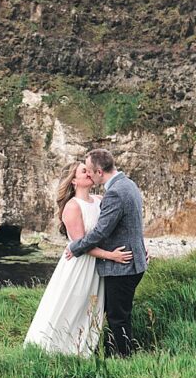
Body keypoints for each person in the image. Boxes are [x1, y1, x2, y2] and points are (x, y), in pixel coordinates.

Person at [23, 161, 133, 357]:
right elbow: (81, 245)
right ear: (74, 180)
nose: (89, 173)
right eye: (84, 171)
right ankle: (54, 350)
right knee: (72, 306)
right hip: (80, 265)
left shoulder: (100, 199)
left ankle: (84, 349)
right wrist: (111, 256)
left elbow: (114, 230)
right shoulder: (72, 207)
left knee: (91, 309)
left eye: (89, 170)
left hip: (97, 267)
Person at [63, 148, 148, 356]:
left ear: (100, 172)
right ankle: (115, 354)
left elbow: (101, 231)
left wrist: (75, 247)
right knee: (119, 313)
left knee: (117, 316)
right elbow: (132, 224)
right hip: (131, 261)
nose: (89, 175)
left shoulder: (115, 193)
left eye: (90, 171)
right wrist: (140, 247)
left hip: (122, 265)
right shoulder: (128, 184)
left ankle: (121, 358)